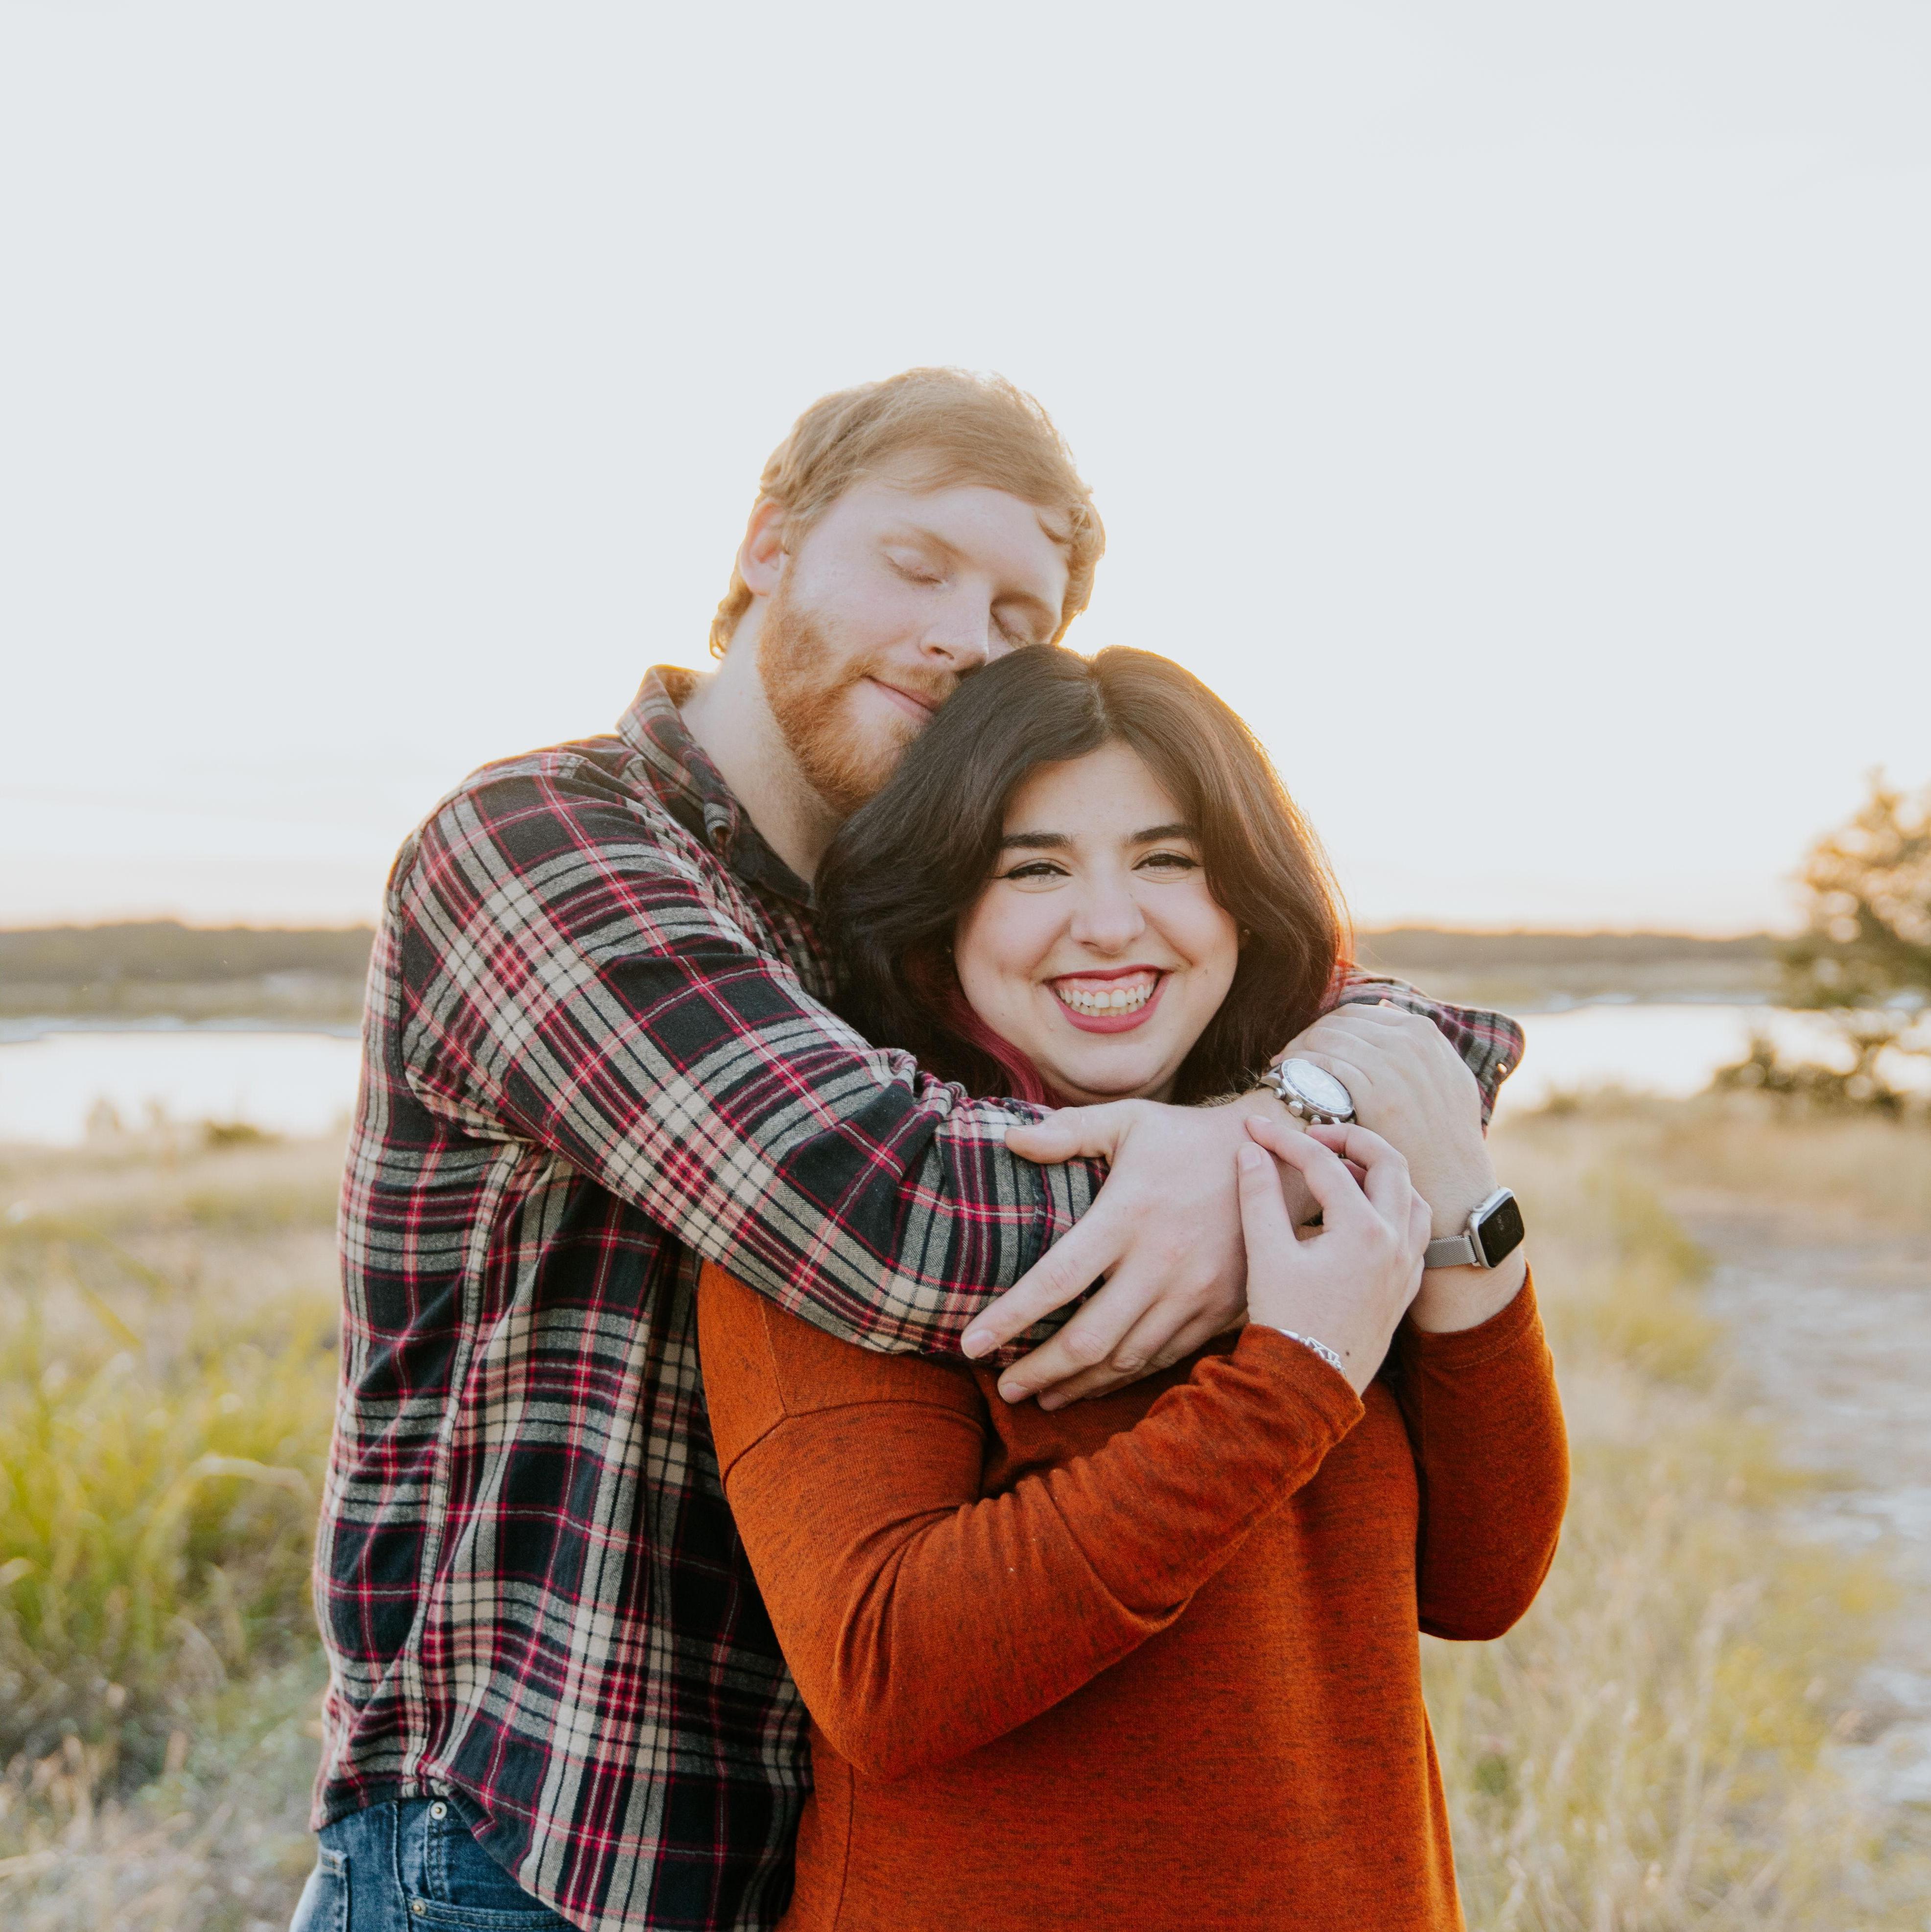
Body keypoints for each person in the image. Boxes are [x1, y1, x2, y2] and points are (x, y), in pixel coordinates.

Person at [294, 371, 1524, 1932]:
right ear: (769, 542)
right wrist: (1294, 1199)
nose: (964, 635)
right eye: (919, 564)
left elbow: (1428, 1036)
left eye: (1022, 607)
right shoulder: (546, 844)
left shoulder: (916, 926)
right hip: (528, 1842)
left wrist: (1289, 1111)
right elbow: (885, 1206)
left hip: (805, 1848)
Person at [698, 645, 1568, 1930]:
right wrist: (1294, 1373)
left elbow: (1481, 1581)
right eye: (1033, 867)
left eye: (1167, 859)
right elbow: (887, 1672)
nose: (1111, 920)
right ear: (941, 910)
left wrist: (1458, 1203)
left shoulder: (1309, 1155)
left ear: (1241, 898)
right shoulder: (870, 1202)